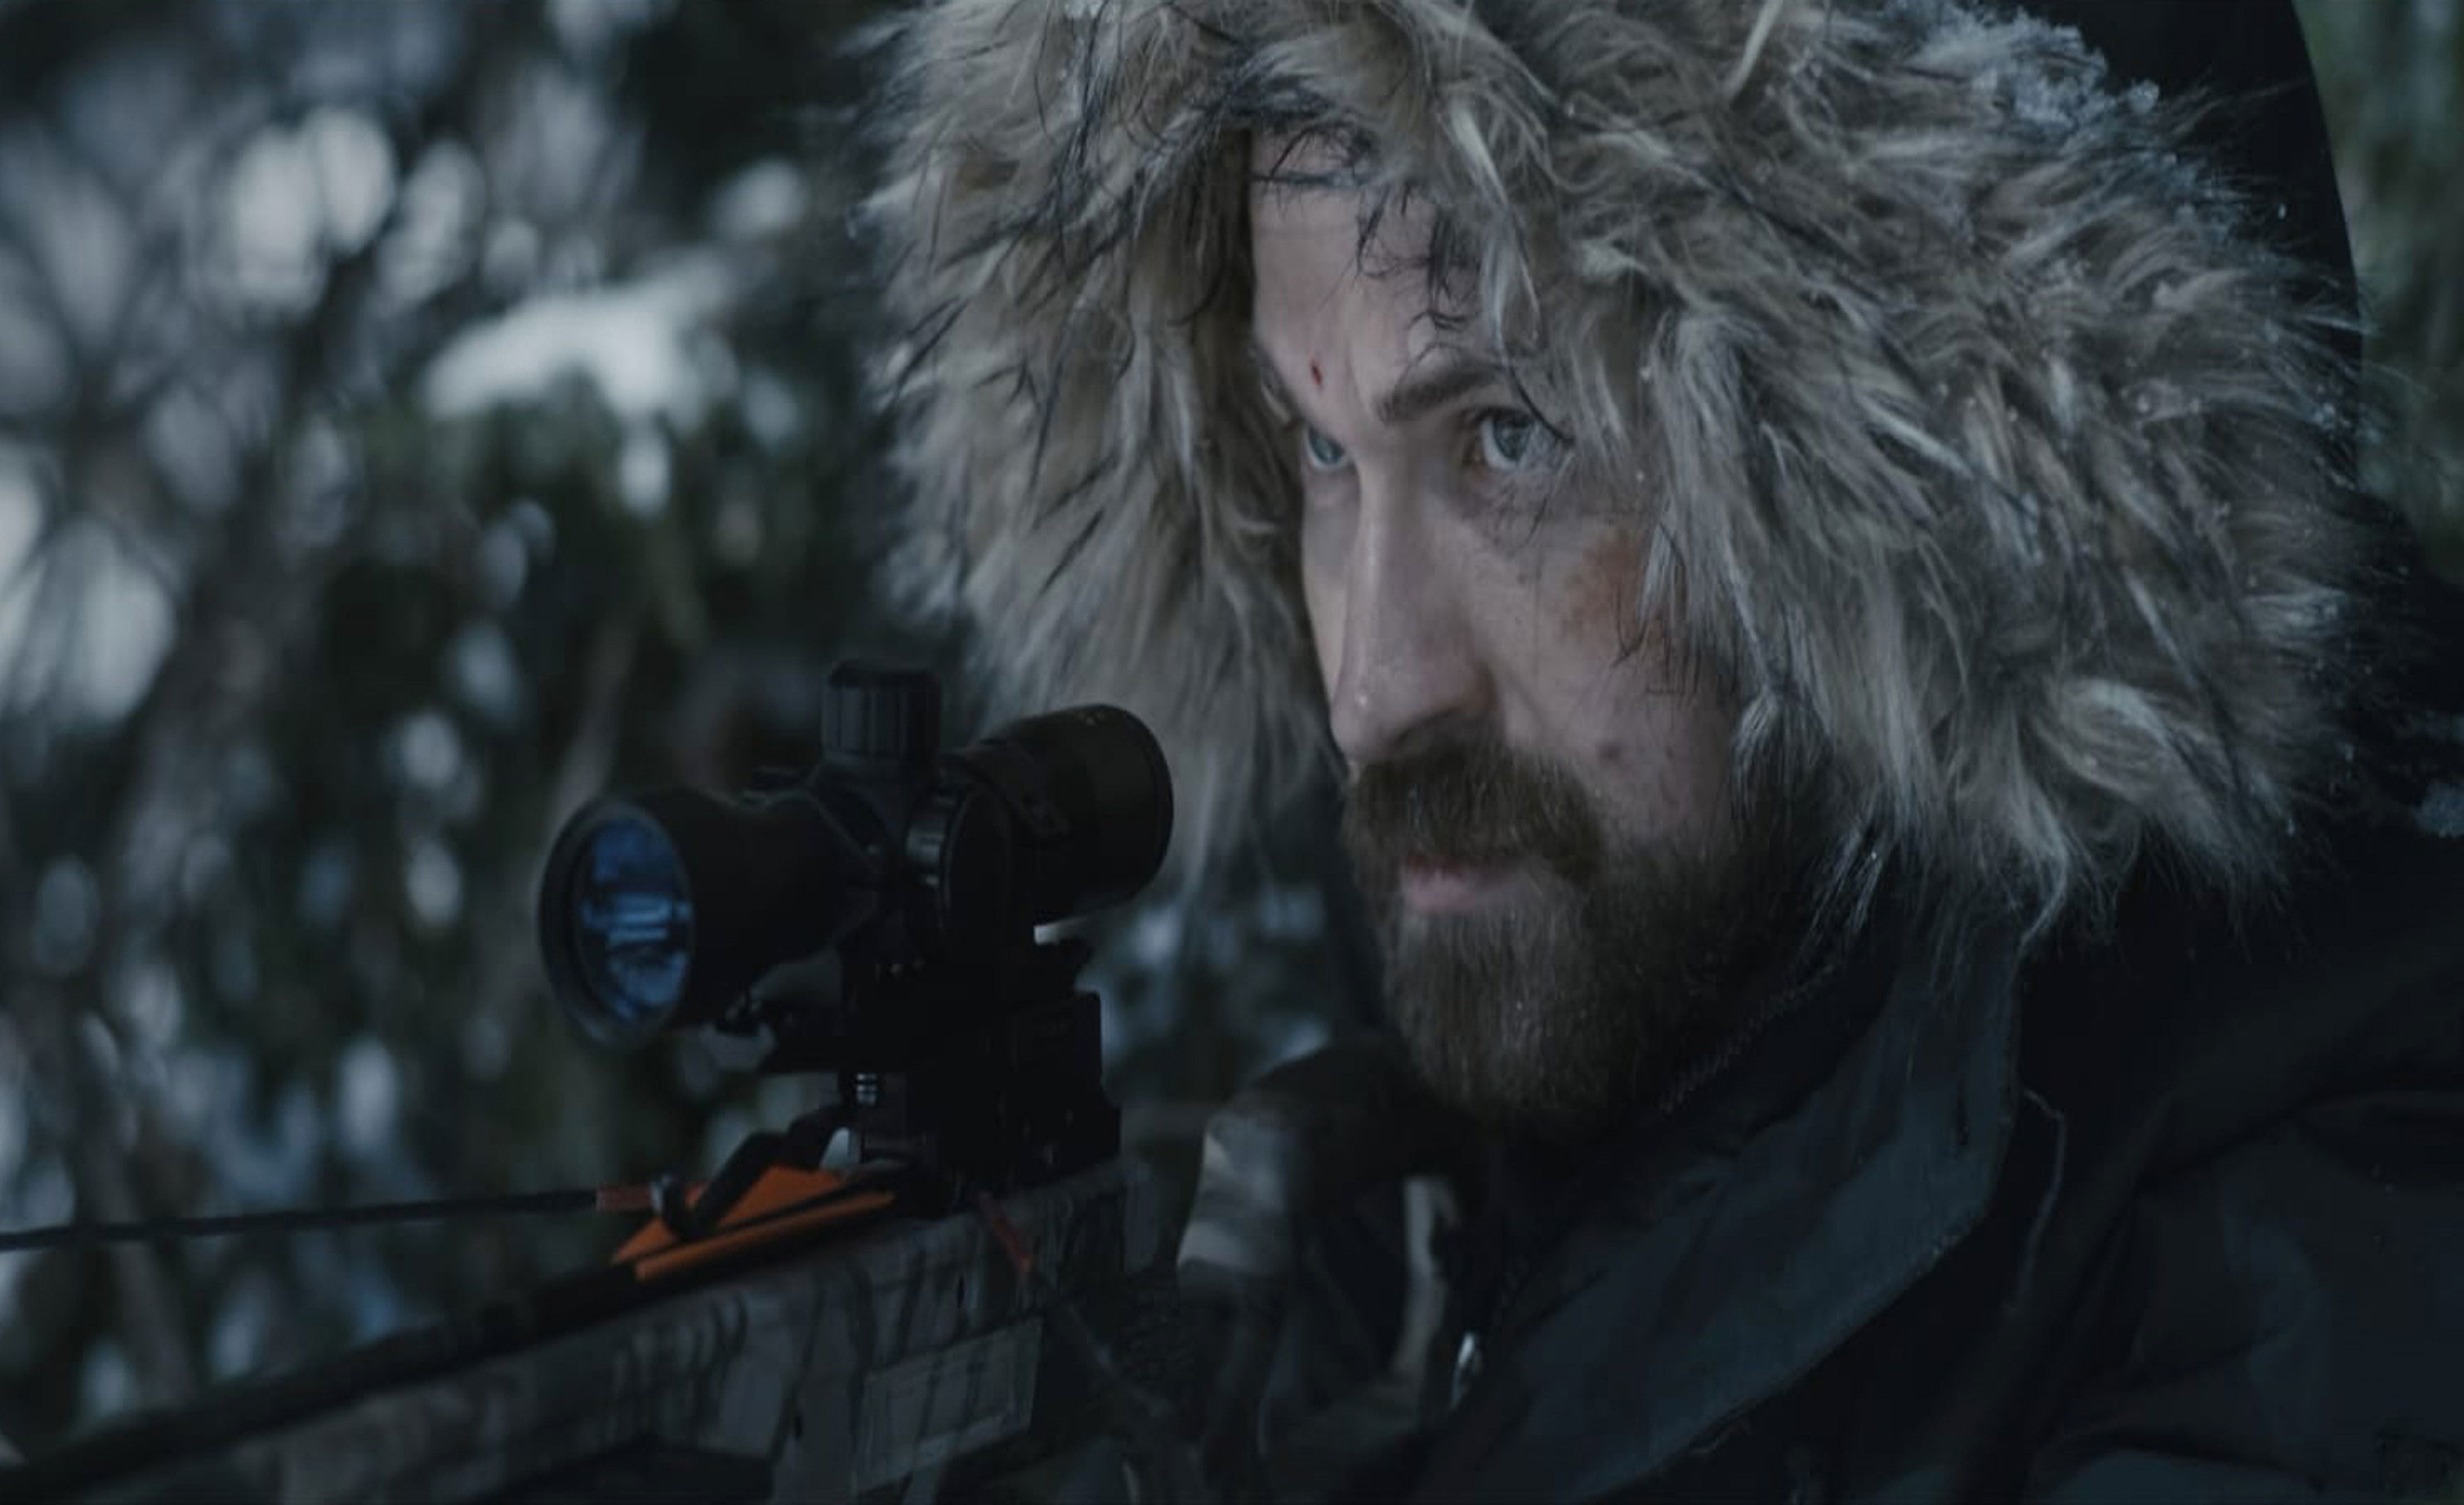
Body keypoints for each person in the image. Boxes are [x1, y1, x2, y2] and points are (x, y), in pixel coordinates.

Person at [862, 0, 2464, 1498]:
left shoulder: (2327, 1204)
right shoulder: (1470, 1110)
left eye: (1510, 437)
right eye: (1321, 454)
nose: (1372, 688)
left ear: (1925, 496)